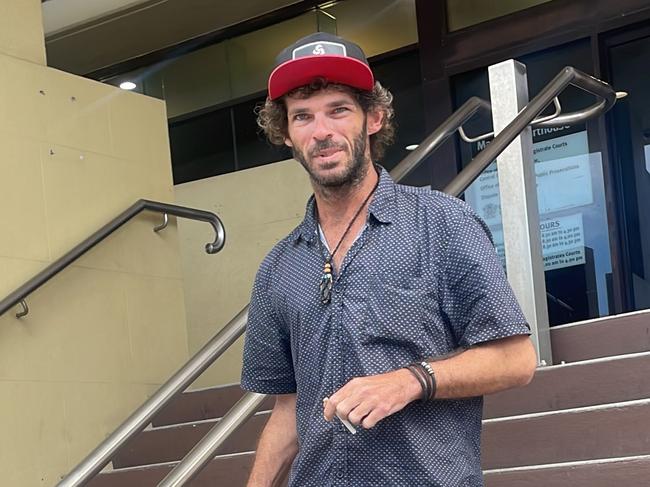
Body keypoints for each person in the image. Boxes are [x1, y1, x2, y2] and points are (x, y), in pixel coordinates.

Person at [241, 32, 537, 487]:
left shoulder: (442, 223)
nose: (322, 132)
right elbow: (288, 412)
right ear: (285, 134)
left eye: (338, 110)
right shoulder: (279, 267)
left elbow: (516, 359)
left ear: (373, 118)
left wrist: (410, 380)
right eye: (303, 117)